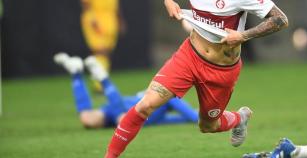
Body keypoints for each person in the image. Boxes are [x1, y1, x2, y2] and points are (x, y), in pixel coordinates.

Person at [104, 0, 289, 157]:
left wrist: (243, 36)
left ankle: (240, 118)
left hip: (221, 70)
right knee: (145, 105)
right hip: (189, 56)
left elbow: (280, 19)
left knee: (207, 126)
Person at [53, 52, 198, 128]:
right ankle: (103, 78)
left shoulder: (159, 118)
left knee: (87, 120)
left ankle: (76, 72)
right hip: (122, 108)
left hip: (117, 110)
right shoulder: (168, 99)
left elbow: (178, 120)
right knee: (124, 118)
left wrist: (195, 116)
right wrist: (196, 116)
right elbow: (184, 109)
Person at [79, 0, 125, 91]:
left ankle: (101, 81)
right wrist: (91, 18)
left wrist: (119, 19)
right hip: (95, 16)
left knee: (107, 51)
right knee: (99, 50)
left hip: (110, 18)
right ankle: (99, 85)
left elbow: (116, 1)